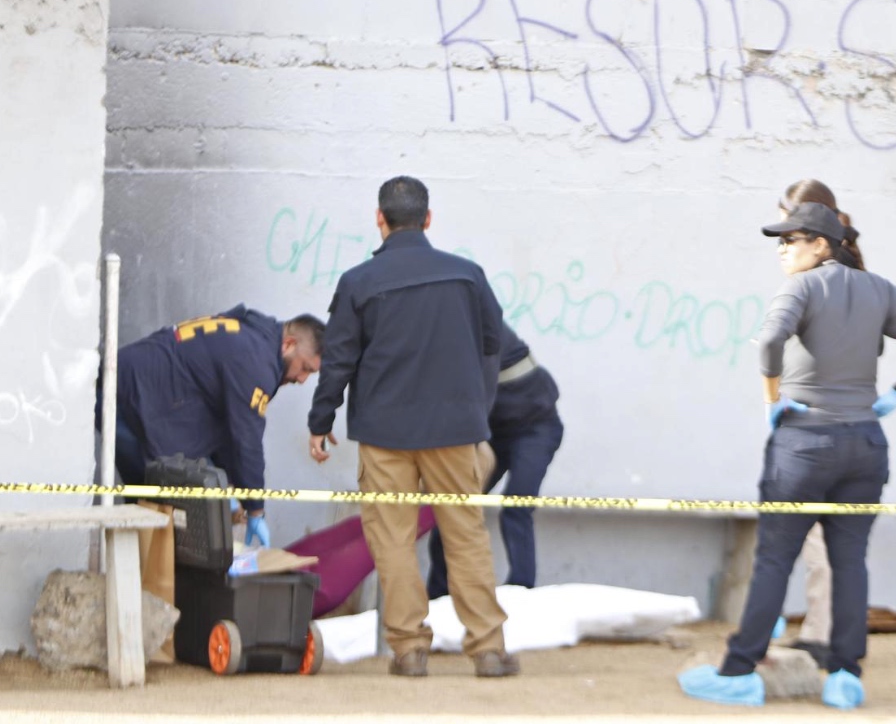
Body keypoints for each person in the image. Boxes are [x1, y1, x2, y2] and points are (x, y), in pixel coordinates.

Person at [680, 199, 896, 710]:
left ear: (821, 245)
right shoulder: (878, 287)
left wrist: (772, 401)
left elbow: (769, 342)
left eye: (790, 240)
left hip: (804, 444)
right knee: (850, 563)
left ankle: (739, 672)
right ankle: (845, 676)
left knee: (774, 559)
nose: (781, 250)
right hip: (865, 443)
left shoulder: (801, 287)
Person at [306, 175, 518, 679]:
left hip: (385, 435)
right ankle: (488, 649)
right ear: (428, 219)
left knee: (393, 540)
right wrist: (477, 408)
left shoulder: (358, 282)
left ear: (379, 219)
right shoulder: (467, 276)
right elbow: (492, 345)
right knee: (465, 535)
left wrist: (321, 419)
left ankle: (408, 651)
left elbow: (338, 360)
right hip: (454, 431)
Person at [107, 305, 325, 548]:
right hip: (128, 395)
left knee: (160, 504)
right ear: (289, 345)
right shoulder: (256, 361)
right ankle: (143, 567)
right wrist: (255, 508)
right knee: (154, 502)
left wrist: (234, 487)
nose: (302, 379)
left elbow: (224, 425)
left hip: (135, 386)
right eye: (305, 368)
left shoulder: (253, 337)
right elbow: (246, 439)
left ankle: (150, 565)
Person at [774, 179, 867, 668]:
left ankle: (822, 636)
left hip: (820, 423)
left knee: (817, 538)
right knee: (825, 538)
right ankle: (826, 634)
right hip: (841, 421)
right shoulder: (843, 272)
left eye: (789, 229)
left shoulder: (823, 278)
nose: (782, 241)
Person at [426, 323, 563, 599]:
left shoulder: (480, 325)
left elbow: (473, 393)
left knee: (516, 505)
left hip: (535, 428)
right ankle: (438, 597)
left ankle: (521, 591)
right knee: (455, 508)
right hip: (490, 434)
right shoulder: (437, 341)